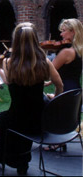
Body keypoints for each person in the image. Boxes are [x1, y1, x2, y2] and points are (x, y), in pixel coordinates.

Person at [0, 22, 63, 175]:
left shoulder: (8, 63)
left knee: (1, 119)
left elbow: (9, 83)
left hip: (18, 119)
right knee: (16, 119)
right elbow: (60, 84)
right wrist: (55, 98)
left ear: (16, 41)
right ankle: (22, 163)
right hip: (40, 121)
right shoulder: (45, 62)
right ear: (35, 39)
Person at [44, 18, 83, 151]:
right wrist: (50, 83)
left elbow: (48, 71)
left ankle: (53, 138)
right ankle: (59, 138)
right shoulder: (79, 51)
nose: (61, 34)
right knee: (49, 97)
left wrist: (41, 55)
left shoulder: (66, 52)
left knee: (39, 102)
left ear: (73, 32)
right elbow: (68, 73)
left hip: (64, 92)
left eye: (64, 31)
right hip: (75, 91)